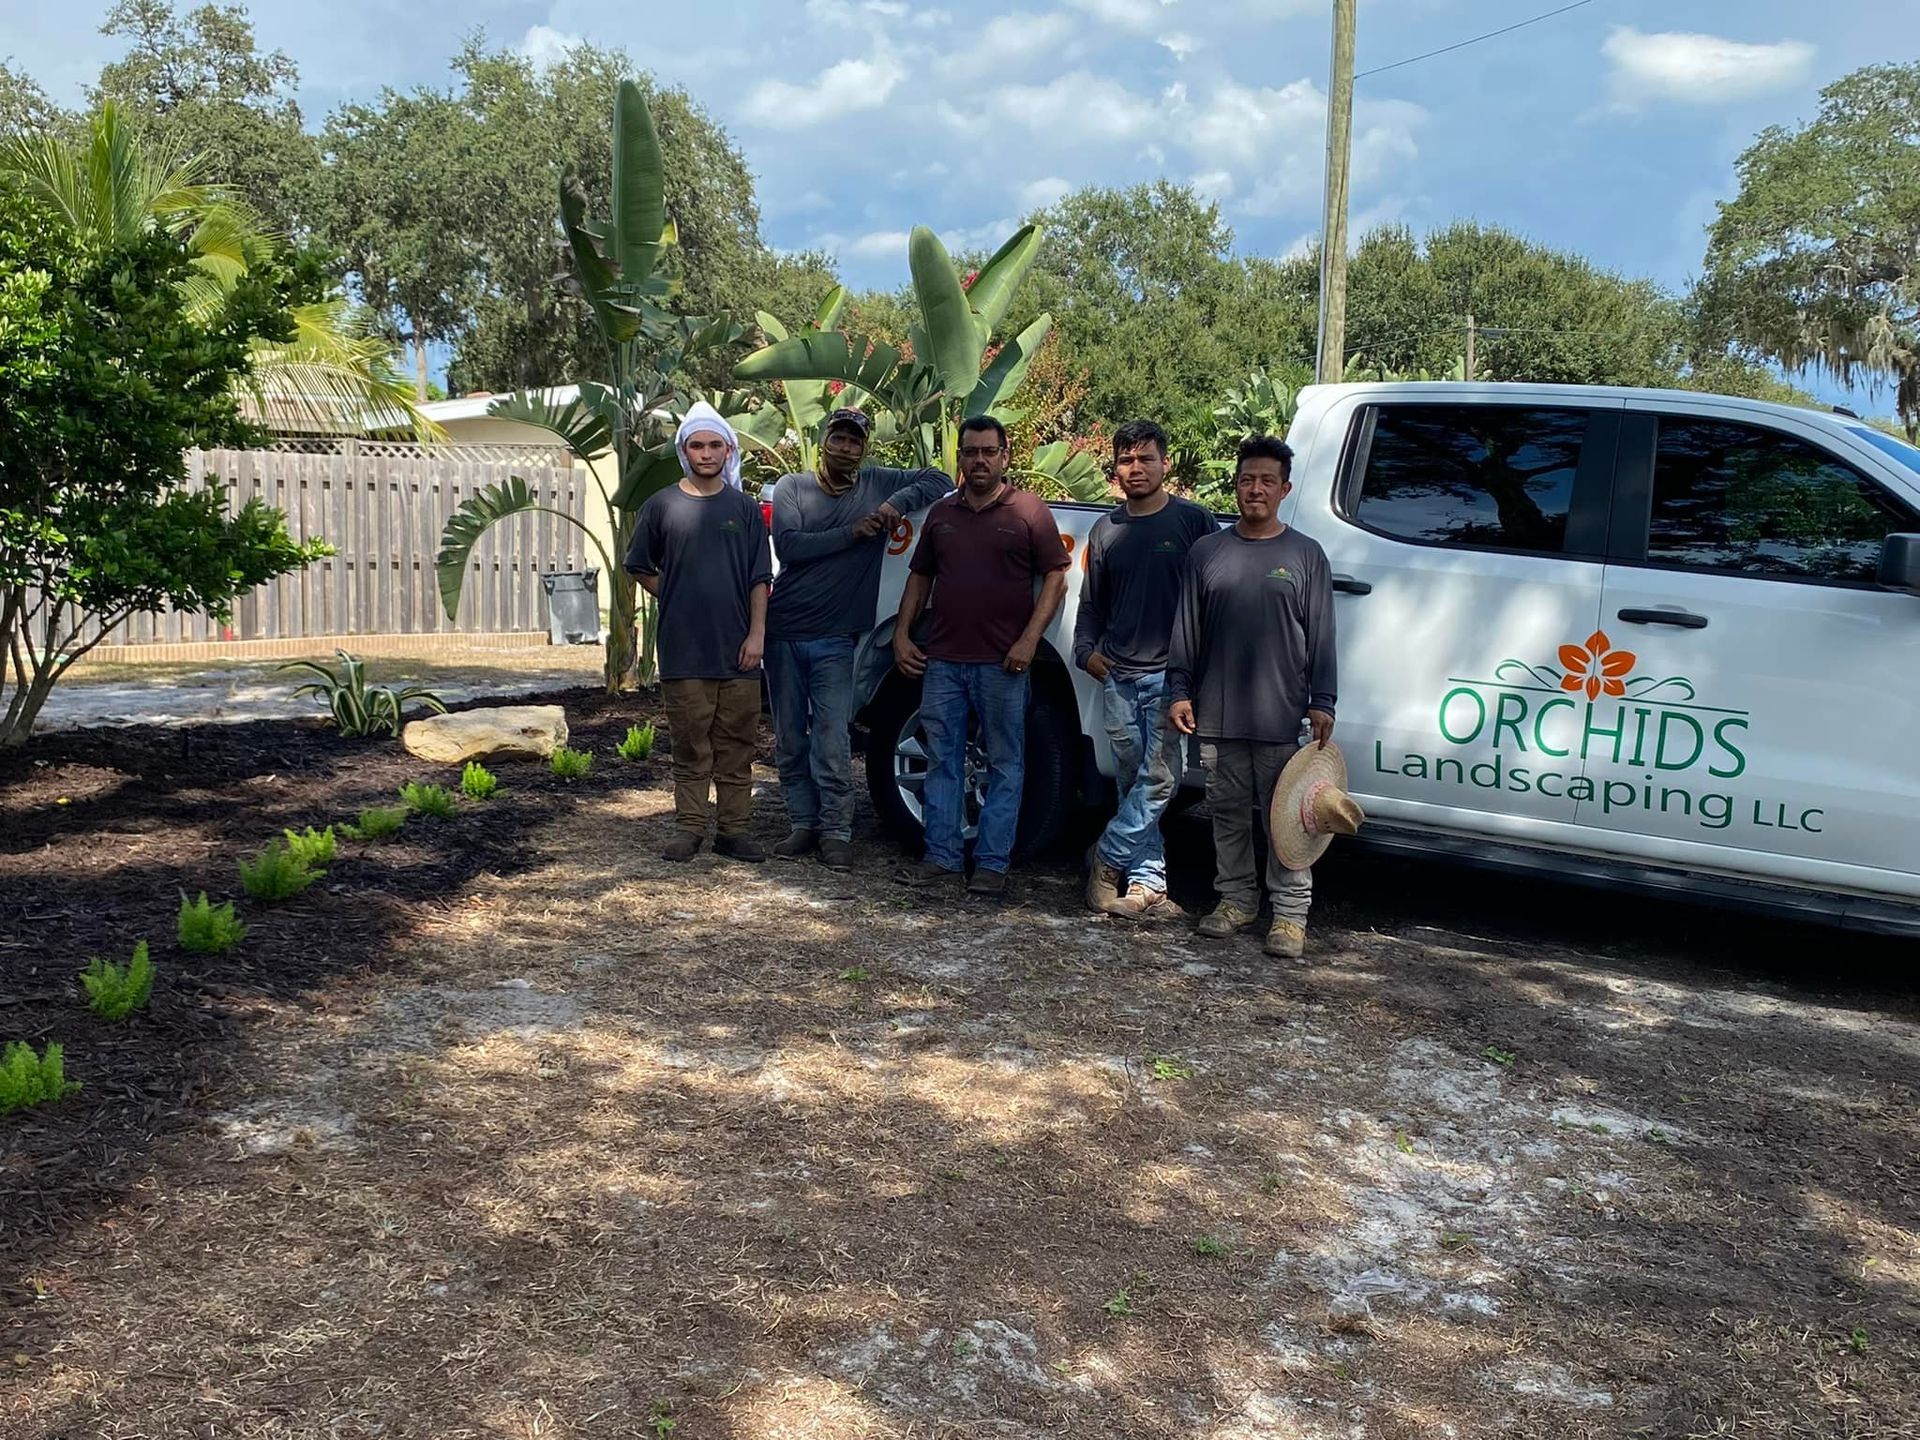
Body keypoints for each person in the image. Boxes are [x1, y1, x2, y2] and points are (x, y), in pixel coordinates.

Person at [1167, 434, 1337, 959]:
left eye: (1266, 480)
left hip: (1281, 716)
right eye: (1246, 480)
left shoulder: (1305, 555)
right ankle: (1236, 900)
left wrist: (1322, 700)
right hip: (1216, 715)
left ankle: (1289, 915)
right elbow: (1186, 632)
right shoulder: (1207, 552)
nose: (1255, 489)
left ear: (1284, 488)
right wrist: (1179, 691)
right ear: (1235, 486)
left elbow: (1323, 635)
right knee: (1227, 813)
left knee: (1289, 819)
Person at [765, 409, 952, 870]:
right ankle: (802, 824)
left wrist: (896, 504)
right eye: (839, 438)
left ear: (864, 447)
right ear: (823, 441)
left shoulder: (875, 483)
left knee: (831, 738)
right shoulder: (793, 487)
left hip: (835, 637)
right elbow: (789, 546)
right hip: (783, 629)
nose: (845, 448)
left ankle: (836, 832)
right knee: (790, 738)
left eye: (854, 441)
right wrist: (852, 533)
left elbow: (940, 477)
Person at [891, 416, 1070, 897]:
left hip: (1002, 664)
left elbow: (1056, 577)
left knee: (1006, 763)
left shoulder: (1029, 512)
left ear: (1005, 456)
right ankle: (942, 858)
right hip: (943, 661)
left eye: (989, 451)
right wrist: (903, 635)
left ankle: (992, 864)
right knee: (943, 761)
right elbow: (920, 577)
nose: (979, 460)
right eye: (971, 452)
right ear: (960, 458)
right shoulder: (943, 516)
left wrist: (1030, 640)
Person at [1072, 419, 1217, 921]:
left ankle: (1106, 858)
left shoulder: (1193, 523)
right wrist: (1084, 650)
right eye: (1127, 461)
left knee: (1161, 781)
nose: (1136, 469)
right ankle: (1147, 883)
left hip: (1168, 679)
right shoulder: (1107, 529)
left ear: (1165, 464)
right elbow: (1091, 603)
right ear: (1116, 469)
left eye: (1146, 459)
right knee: (1134, 781)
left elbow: (1212, 600)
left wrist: (1196, 674)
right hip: (1117, 676)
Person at [624, 402, 774, 864]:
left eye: (714, 445)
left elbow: (759, 578)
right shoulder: (662, 505)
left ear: (727, 450)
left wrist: (756, 637)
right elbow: (638, 565)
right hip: (684, 650)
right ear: (684, 451)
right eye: (697, 445)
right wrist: (672, 592)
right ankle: (689, 829)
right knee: (690, 744)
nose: (706, 453)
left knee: (736, 747)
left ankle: (733, 831)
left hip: (738, 653)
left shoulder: (743, 508)